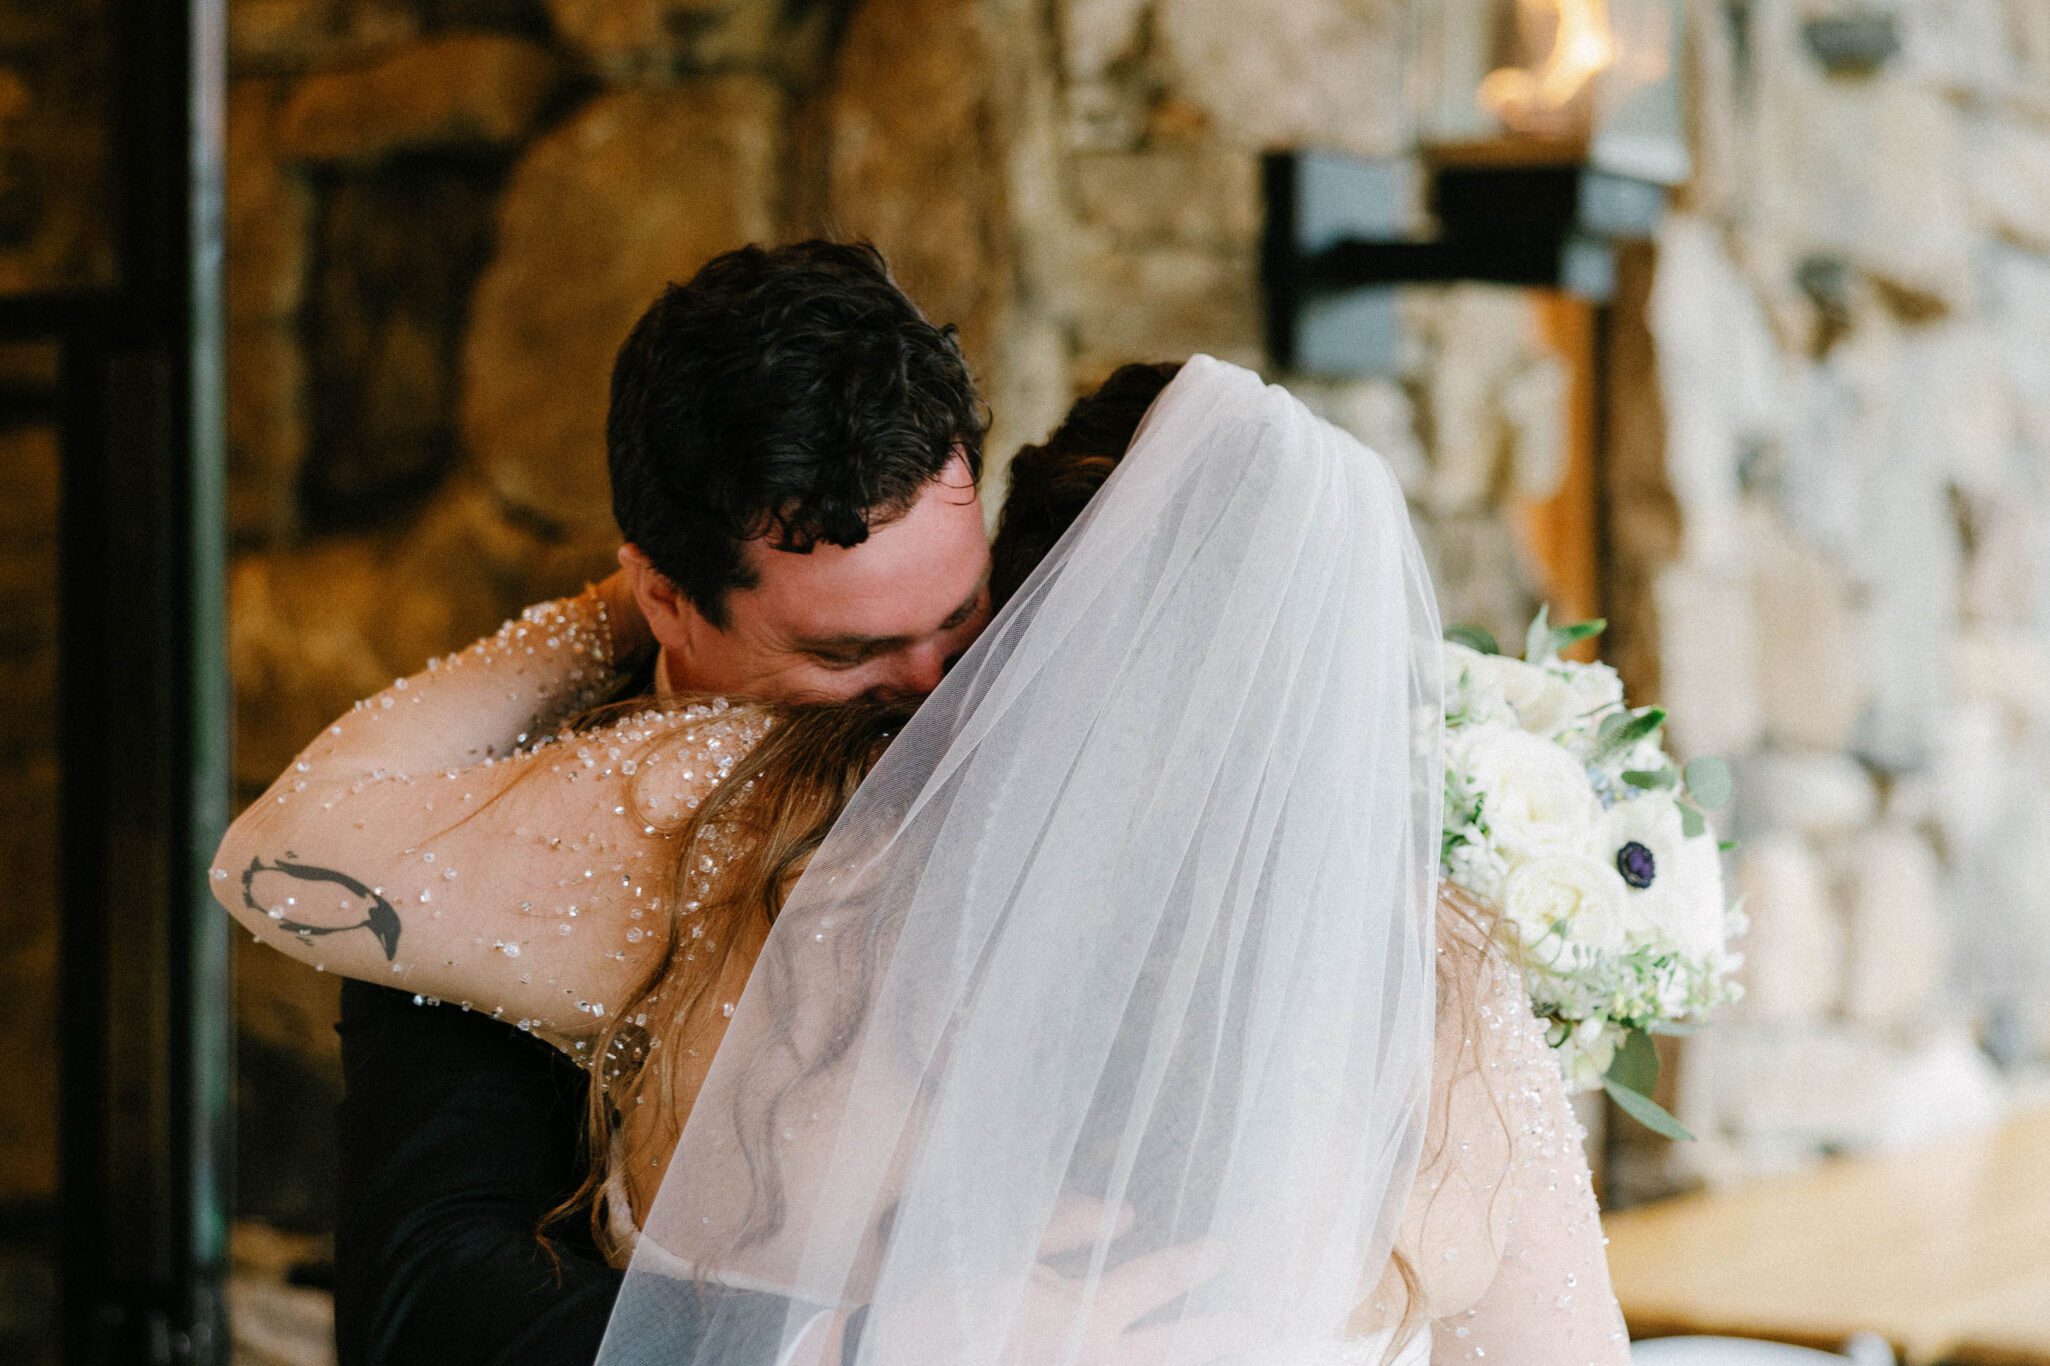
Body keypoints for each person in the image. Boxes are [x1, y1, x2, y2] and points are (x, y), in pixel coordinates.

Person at [219, 355, 1629, 1363]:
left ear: (1026, 610)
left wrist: (610, 605)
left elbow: (279, 853)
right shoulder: (1435, 988)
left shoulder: (722, 815)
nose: (922, 676)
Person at [315, 237, 993, 1365]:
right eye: (848, 650)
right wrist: (869, 1347)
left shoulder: (1048, 703)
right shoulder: (489, 836)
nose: (934, 690)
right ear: (664, 601)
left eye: (963, 614)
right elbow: (424, 1296)